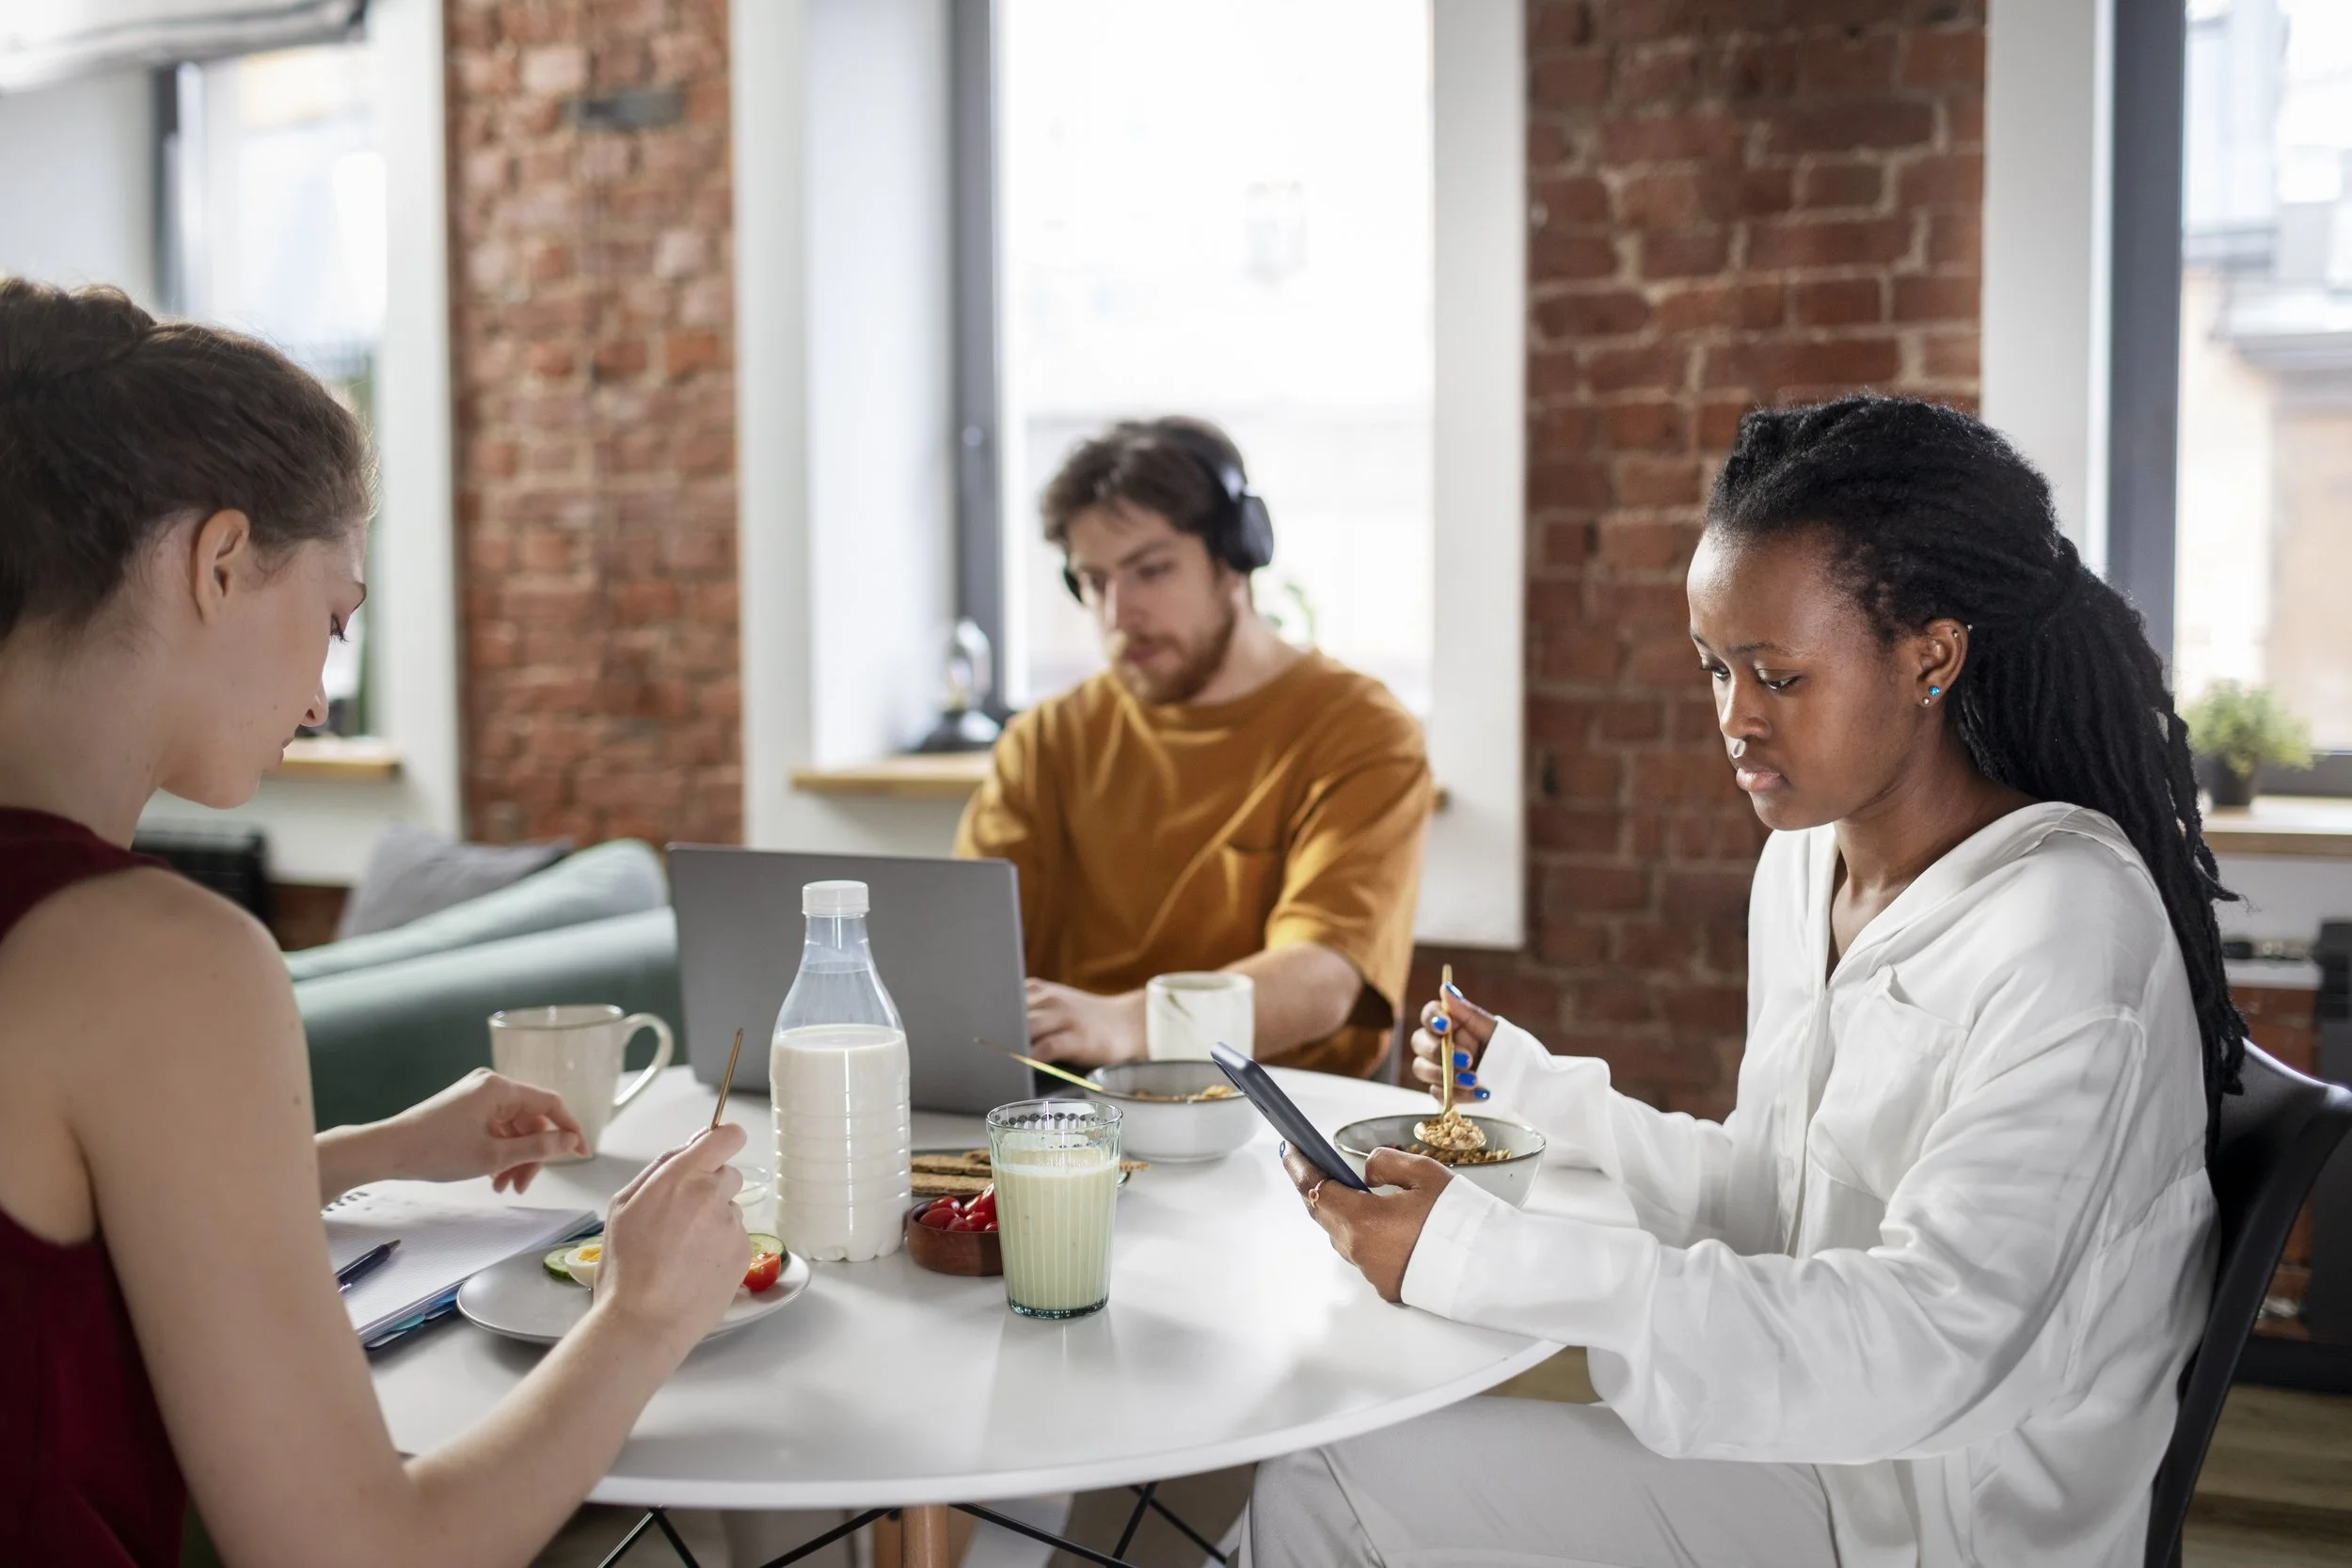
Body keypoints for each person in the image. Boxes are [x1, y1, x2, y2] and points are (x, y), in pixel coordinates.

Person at [1249, 394, 2235, 1567]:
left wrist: (1481, 1256)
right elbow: (1778, 1198)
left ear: (1932, 654)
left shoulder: (2067, 932)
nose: (1732, 718)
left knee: (1334, 1475)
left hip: (1941, 1523)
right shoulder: (1803, 864)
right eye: (1715, 667)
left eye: (1775, 674)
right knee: (1328, 1451)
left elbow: (1926, 1340)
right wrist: (1529, 1086)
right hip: (1811, 1450)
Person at [0, 278, 753, 1568]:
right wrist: (640, 1313)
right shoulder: (151, 958)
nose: (319, 697)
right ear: (219, 559)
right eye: (335, 618)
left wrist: (365, 1149)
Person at [956, 417, 1432, 1077]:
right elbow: (970, 955)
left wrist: (1129, 1022)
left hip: (1280, 1124)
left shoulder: (1362, 731)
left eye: (1151, 570)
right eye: (1092, 581)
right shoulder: (1045, 740)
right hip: (1072, 1115)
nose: (1119, 614)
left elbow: (1323, 979)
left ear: (1235, 557)